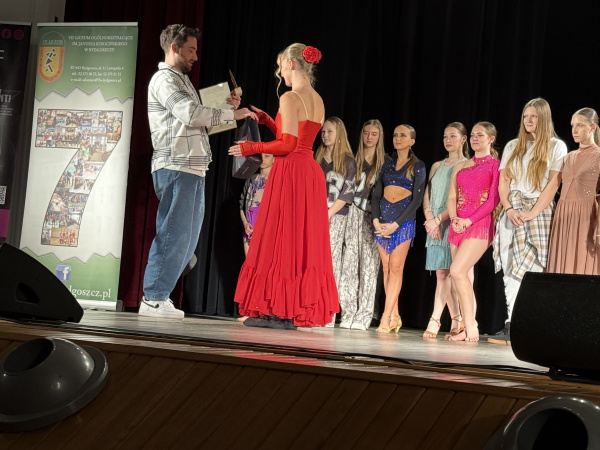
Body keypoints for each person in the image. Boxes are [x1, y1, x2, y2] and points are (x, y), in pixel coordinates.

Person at [139, 24, 254, 320]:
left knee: (187, 238)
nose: (195, 56)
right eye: (190, 50)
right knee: (174, 234)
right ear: (174, 48)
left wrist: (224, 107)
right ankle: (153, 298)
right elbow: (190, 114)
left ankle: (159, 295)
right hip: (177, 165)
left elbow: (196, 120)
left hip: (193, 167)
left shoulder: (182, 81)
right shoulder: (165, 79)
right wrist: (230, 113)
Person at [229, 43, 339, 329]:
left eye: (281, 67)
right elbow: (299, 138)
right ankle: (289, 309)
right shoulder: (317, 99)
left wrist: (251, 147)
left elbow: (288, 145)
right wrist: (268, 121)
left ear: (291, 64)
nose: (280, 74)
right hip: (308, 172)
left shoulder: (290, 97)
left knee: (281, 238)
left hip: (290, 171)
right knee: (296, 241)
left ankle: (277, 311)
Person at [490, 98, 567, 344]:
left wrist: (532, 213)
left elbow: (554, 183)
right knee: (510, 267)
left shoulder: (556, 146)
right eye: (525, 116)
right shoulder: (513, 146)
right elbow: (503, 182)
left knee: (533, 269)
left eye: (534, 116)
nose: (528, 121)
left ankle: (530, 324)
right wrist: (509, 208)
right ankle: (511, 323)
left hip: (538, 211)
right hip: (513, 210)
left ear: (543, 119)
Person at [447, 122, 500, 342]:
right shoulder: (461, 165)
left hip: (479, 223)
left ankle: (471, 325)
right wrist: (454, 220)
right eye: (472, 135)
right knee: (461, 276)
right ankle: (466, 326)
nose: (474, 138)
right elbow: (452, 196)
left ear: (491, 139)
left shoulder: (496, 166)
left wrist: (468, 220)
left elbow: (493, 200)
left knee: (457, 271)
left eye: (480, 135)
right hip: (457, 224)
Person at [371, 124, 426, 333]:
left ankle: (386, 317)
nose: (398, 138)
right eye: (395, 135)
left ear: (412, 141)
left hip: (402, 223)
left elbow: (416, 200)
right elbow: (376, 195)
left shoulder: (418, 166)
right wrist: (376, 221)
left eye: (403, 135)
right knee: (386, 268)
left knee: (395, 268)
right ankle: (394, 315)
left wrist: (396, 224)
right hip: (383, 222)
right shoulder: (386, 165)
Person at [338, 119, 389, 330]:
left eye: (374, 134)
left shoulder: (385, 162)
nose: (369, 137)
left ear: (379, 137)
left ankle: (365, 314)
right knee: (348, 265)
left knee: (369, 266)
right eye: (366, 133)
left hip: (372, 217)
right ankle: (348, 311)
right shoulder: (352, 159)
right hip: (351, 214)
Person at [422, 122, 470, 339]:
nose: (448, 140)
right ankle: (456, 319)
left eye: (452, 136)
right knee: (442, 273)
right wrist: (429, 219)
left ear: (463, 139)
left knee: (447, 273)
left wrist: (438, 220)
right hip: (432, 223)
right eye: (445, 137)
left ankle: (435, 318)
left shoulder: (465, 165)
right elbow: (428, 194)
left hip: (451, 222)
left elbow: (459, 200)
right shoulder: (436, 165)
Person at [547, 107, 600, 275]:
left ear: (592, 127)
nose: (574, 130)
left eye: (580, 125)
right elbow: (551, 188)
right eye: (572, 125)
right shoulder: (567, 157)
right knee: (561, 268)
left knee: (582, 268)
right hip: (563, 216)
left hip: (586, 217)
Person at [315, 117, 356, 326]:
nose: (325, 135)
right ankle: (312, 308)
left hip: (335, 217)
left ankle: (328, 313)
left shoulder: (348, 161)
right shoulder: (317, 158)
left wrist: (329, 213)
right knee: (314, 263)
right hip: (314, 217)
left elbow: (347, 193)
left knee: (331, 263)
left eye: (329, 131)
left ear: (339, 134)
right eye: (323, 132)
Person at [239, 154, 275, 255]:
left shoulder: (277, 181)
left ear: (274, 159)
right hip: (251, 222)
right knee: (249, 261)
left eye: (267, 156)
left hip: (268, 223)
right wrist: (245, 223)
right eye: (260, 156)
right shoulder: (252, 179)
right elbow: (242, 205)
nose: (263, 159)